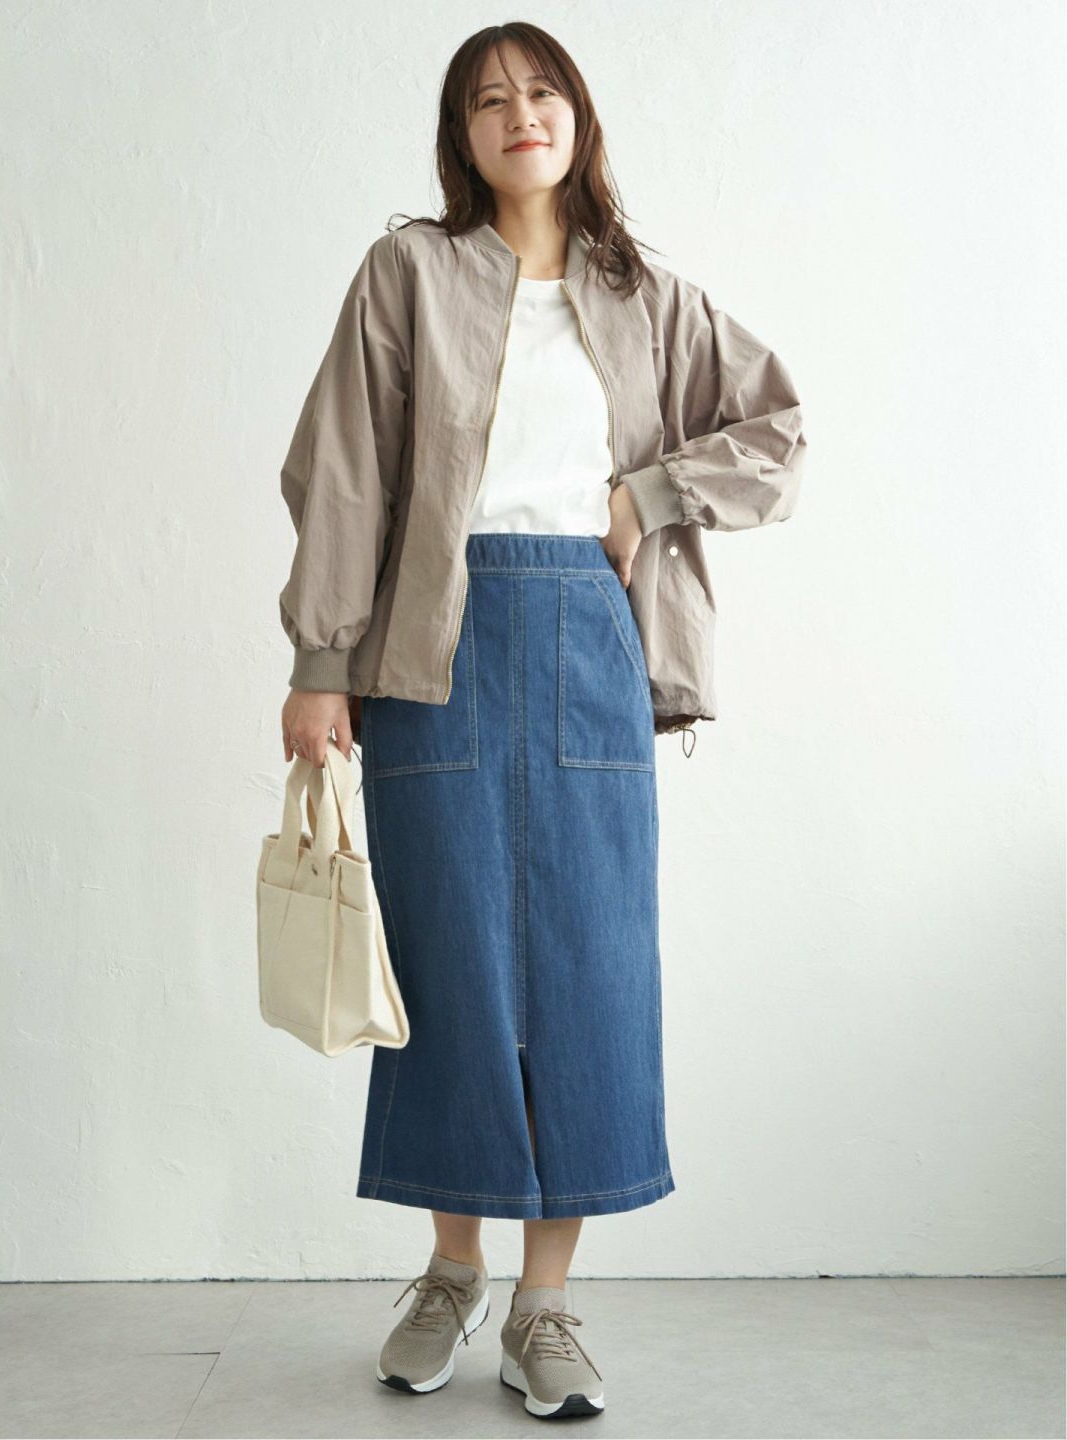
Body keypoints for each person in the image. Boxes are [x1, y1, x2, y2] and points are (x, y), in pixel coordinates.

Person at [277, 22, 806, 1421]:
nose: (520, 113)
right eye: (488, 100)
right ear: (461, 136)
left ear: (580, 115)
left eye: (543, 90)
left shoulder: (648, 295)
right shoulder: (410, 272)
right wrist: (321, 660)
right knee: (449, 967)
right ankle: (451, 1271)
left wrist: (651, 494)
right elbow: (345, 469)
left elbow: (779, 433)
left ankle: (546, 1303)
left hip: (588, 634)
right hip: (430, 649)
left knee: (587, 969)